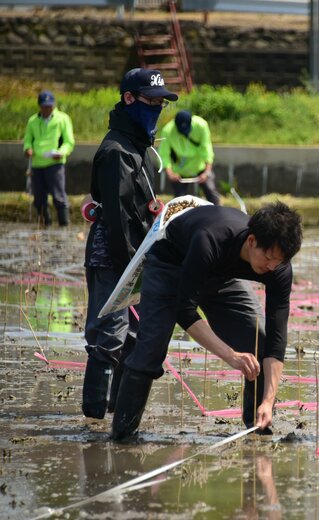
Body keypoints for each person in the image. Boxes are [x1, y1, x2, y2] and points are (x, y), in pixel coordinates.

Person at [110, 202, 302, 442]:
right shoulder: (210, 239)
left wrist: (268, 400)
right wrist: (231, 355)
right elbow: (185, 312)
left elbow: (277, 338)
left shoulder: (278, 268)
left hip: (220, 277)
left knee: (258, 343)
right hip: (170, 266)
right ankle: (122, 437)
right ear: (252, 241)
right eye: (269, 258)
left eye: (279, 261)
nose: (272, 267)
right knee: (151, 348)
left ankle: (258, 429)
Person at [81, 68, 178, 420]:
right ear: (129, 98)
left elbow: (140, 207)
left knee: (134, 334)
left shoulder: (141, 150)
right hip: (113, 253)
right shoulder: (117, 152)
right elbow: (118, 218)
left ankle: (117, 410)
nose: (157, 108)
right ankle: (94, 419)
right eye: (151, 101)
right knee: (110, 332)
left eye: (161, 103)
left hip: (138, 252)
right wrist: (129, 269)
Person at [22, 90, 75, 226]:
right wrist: (27, 148)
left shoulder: (63, 119)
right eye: (44, 106)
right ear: (39, 106)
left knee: (59, 197)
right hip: (37, 164)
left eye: (49, 106)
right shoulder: (32, 121)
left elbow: (69, 141)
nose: (47, 109)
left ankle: (64, 227)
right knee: (39, 199)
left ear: (54, 105)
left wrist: (61, 153)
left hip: (55, 164)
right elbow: (28, 140)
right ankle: (46, 226)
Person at [158, 110, 221, 205]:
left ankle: (218, 211)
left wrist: (207, 172)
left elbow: (207, 149)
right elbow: (164, 154)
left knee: (211, 191)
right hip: (179, 171)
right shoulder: (168, 130)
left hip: (199, 166)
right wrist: (170, 174)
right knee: (179, 200)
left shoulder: (201, 125)